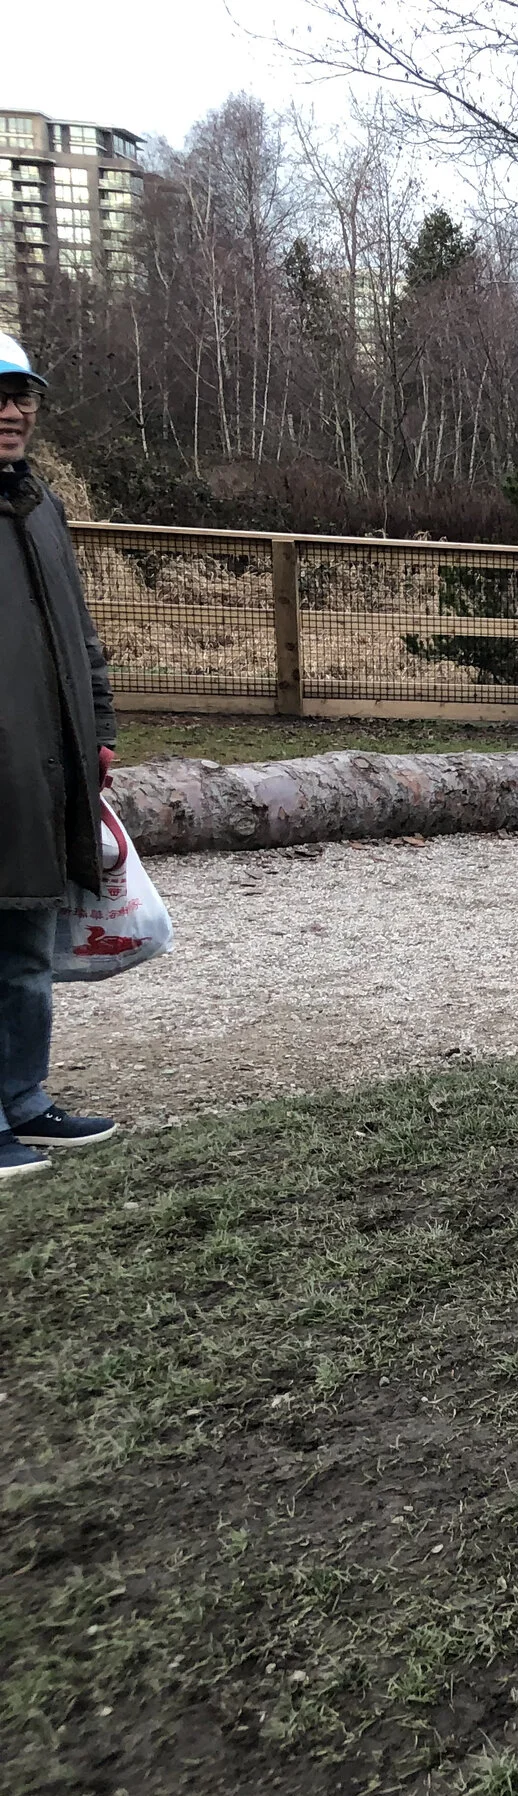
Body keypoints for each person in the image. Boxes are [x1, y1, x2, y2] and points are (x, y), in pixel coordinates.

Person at [0, 332, 118, 1177]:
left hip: (44, 763)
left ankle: (24, 1097)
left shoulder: (39, 506)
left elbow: (79, 633)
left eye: (23, 396)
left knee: (27, 946)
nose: (11, 413)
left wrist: (100, 726)